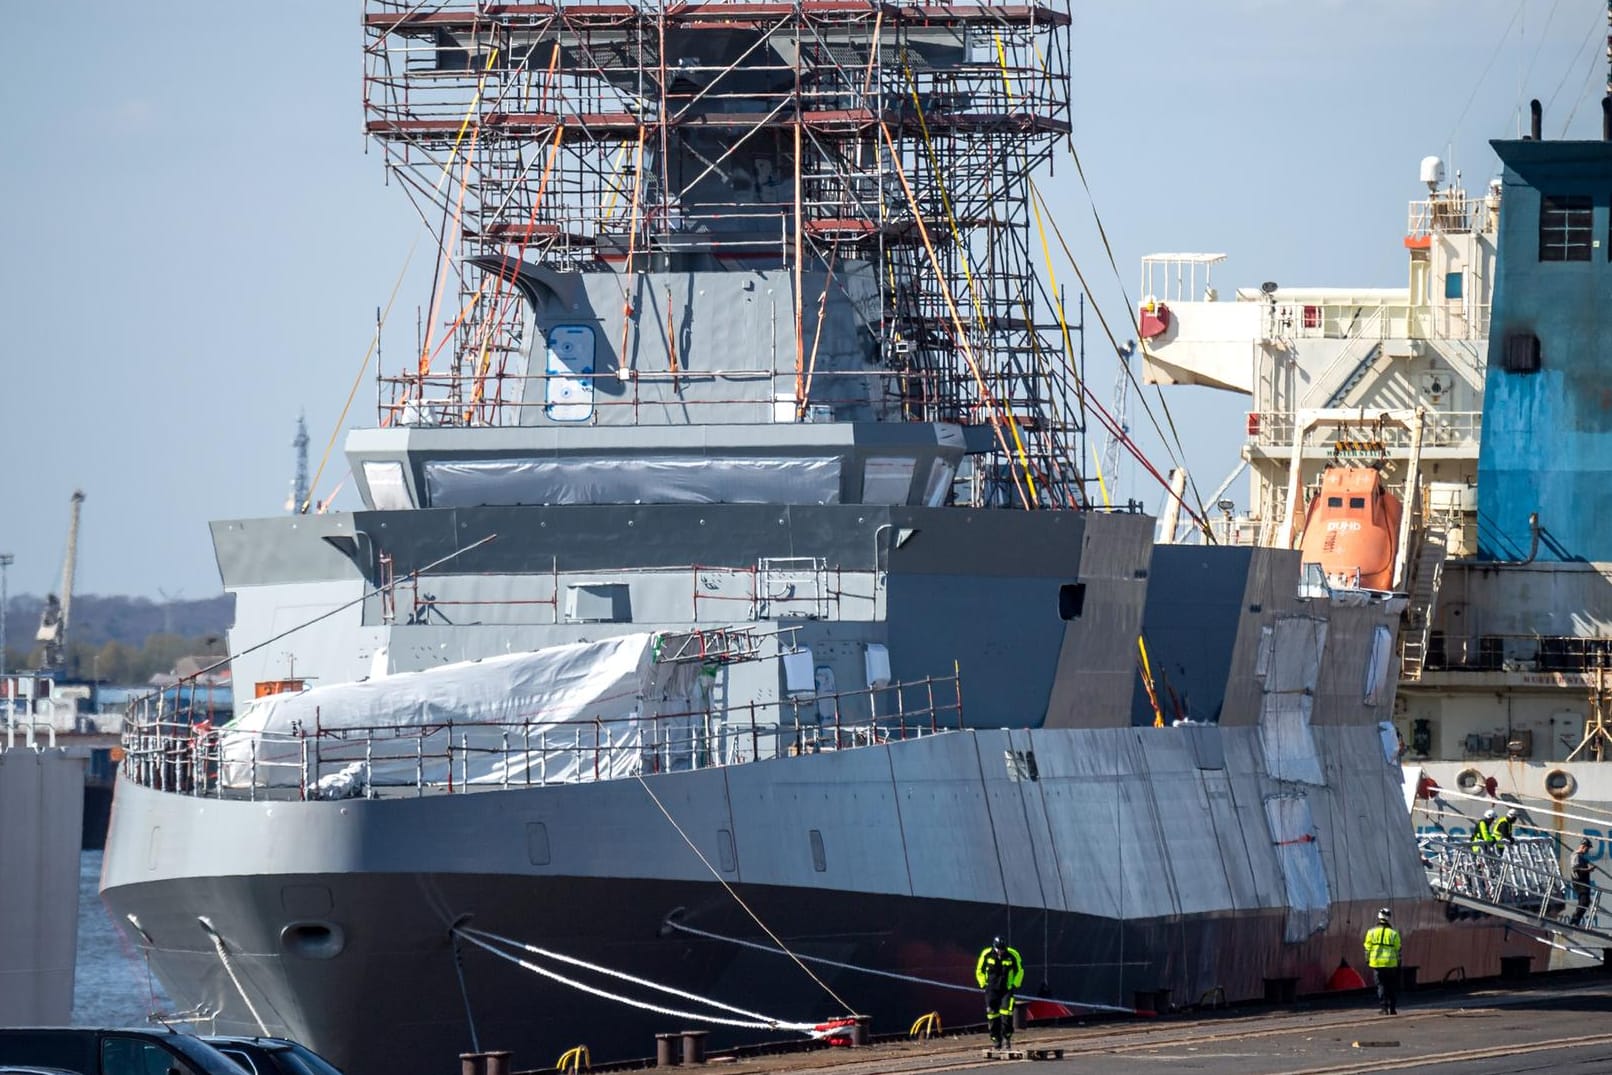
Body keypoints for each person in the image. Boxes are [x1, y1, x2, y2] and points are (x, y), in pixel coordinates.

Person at [975, 936, 1024, 1049]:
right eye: (998, 949)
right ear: (994, 947)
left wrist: (1015, 984)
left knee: (1006, 1014)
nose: (1000, 951)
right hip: (991, 990)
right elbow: (979, 970)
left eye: (1002, 949)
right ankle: (996, 1040)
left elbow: (1020, 970)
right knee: (992, 1015)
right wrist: (983, 983)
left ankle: (1006, 1038)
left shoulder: (1012, 954)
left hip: (1006, 989)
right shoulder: (986, 954)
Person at [1363, 907, 1402, 1015]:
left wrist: (1367, 959)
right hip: (1391, 964)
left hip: (1377, 963)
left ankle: (1384, 1008)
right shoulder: (1394, 933)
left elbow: (1367, 947)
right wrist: (1399, 962)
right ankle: (1393, 1008)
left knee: (1381, 985)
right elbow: (1398, 949)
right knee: (1391, 986)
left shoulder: (1371, 932)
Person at [1570, 837, 1595, 927]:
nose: (1588, 850)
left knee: (1586, 901)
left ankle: (1576, 921)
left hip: (1584, 882)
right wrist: (1588, 870)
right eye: (1587, 848)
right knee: (1584, 901)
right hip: (1579, 882)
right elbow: (1576, 869)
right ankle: (1574, 920)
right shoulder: (1576, 855)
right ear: (1584, 846)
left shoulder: (1581, 857)